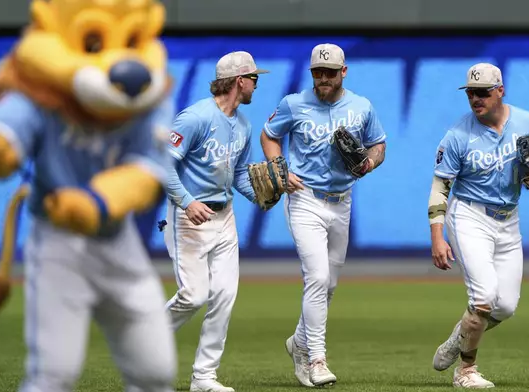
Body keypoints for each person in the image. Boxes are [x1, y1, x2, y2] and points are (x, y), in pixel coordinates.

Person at [260, 43, 386, 387]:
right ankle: (317, 358)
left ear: (344, 72)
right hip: (305, 200)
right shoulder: (294, 103)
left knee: (329, 283)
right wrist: (278, 168)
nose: (323, 78)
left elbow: (379, 144)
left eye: (330, 72)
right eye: (318, 72)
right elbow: (269, 135)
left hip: (342, 201)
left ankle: (298, 343)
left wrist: (370, 161)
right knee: (316, 277)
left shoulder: (361, 106)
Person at [428, 63, 529, 388]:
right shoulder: (458, 134)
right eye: (471, 92)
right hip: (469, 215)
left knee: (506, 306)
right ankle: (466, 370)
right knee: (484, 295)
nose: (476, 98)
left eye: (483, 92)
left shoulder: (527, 122)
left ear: (500, 90)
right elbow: (440, 187)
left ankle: (460, 337)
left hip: (509, 219)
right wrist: (438, 236)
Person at [162, 51, 269, 392]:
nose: (256, 84)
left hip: (224, 218)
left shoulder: (243, 124)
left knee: (223, 296)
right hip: (188, 217)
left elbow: (238, 174)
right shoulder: (194, 117)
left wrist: (262, 196)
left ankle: (203, 378)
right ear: (240, 81)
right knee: (194, 296)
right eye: (254, 78)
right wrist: (187, 201)